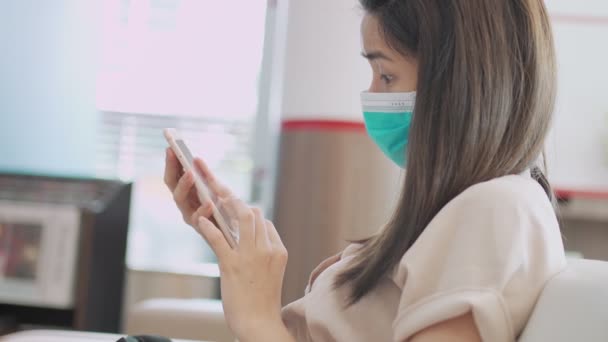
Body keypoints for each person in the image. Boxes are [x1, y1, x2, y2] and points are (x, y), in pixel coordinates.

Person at [164, 0, 566, 341]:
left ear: (460, 84)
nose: (372, 96)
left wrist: (257, 317)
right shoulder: (473, 209)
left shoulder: (496, 209)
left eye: (387, 75)